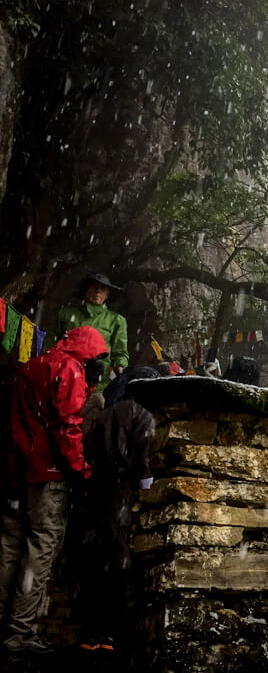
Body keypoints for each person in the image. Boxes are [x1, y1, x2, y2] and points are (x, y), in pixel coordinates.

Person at [0, 326, 108, 655]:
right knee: (40, 549)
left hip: (17, 472)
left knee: (8, 547)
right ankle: (19, 631)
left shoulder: (34, 364)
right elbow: (68, 426)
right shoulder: (70, 370)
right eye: (99, 357)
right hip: (49, 474)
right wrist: (81, 470)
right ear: (89, 351)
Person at [76, 366, 157, 653]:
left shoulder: (104, 414)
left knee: (93, 559)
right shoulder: (143, 414)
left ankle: (89, 632)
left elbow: (86, 446)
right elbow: (143, 455)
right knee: (116, 559)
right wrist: (145, 480)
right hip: (120, 490)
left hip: (94, 487)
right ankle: (108, 634)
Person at [56, 273, 129, 391]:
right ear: (85, 290)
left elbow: (119, 352)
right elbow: (51, 345)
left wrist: (121, 371)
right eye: (94, 286)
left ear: (107, 295)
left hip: (99, 386)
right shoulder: (66, 314)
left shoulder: (116, 320)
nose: (98, 291)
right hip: (64, 380)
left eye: (103, 288)